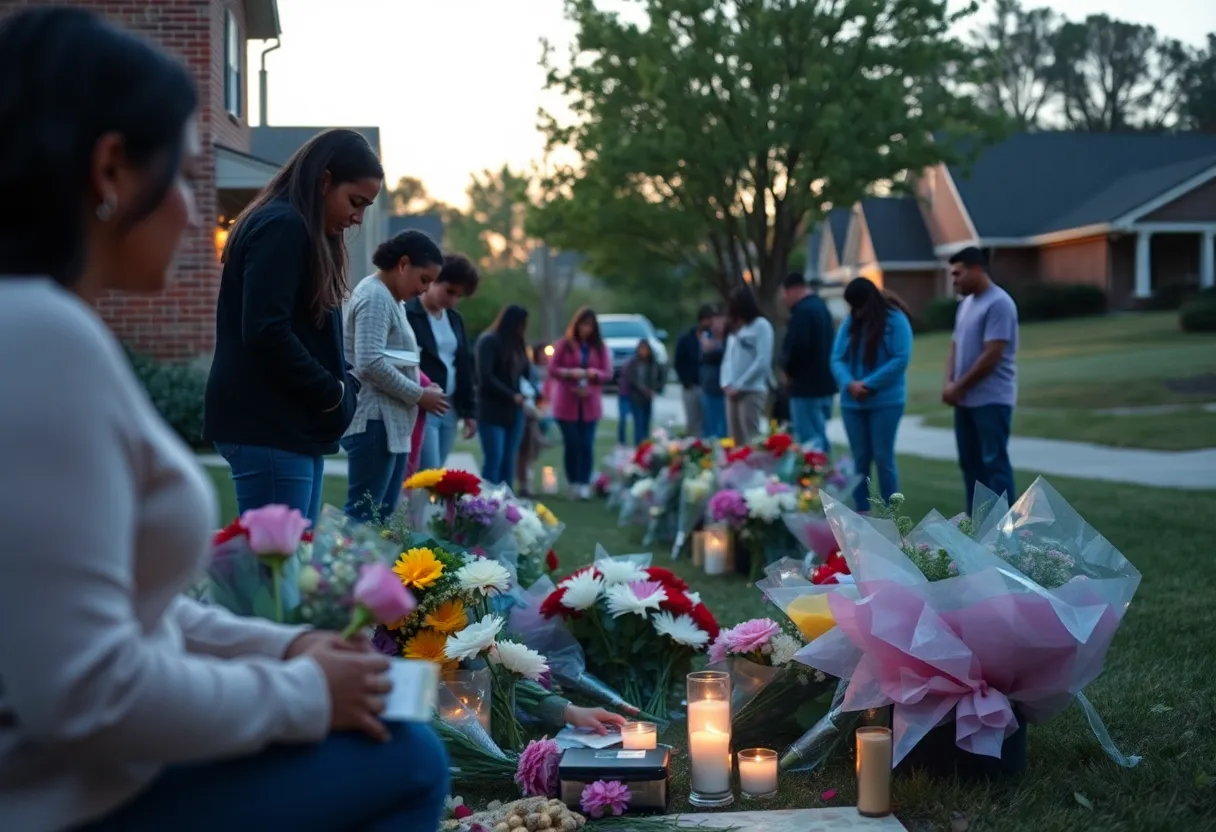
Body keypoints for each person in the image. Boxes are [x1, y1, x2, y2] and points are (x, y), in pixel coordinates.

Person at [0, 9, 448, 832]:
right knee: (410, 758)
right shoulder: (36, 337)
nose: (192, 204)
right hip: (60, 795)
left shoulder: (45, 329)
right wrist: (302, 692)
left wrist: (281, 649)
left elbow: (121, 606)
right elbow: (86, 695)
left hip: (83, 766)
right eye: (180, 170)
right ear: (109, 170)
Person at [204, 127, 384, 523]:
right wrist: (333, 392)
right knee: (272, 573)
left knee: (287, 566)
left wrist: (341, 386)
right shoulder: (282, 226)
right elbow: (266, 328)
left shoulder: (295, 227)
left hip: (287, 426)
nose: (357, 217)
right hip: (267, 425)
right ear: (324, 180)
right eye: (355, 202)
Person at [341, 232, 447, 522]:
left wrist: (424, 386)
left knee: (382, 517)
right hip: (374, 422)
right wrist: (418, 395)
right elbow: (370, 362)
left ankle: (369, 568)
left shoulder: (392, 299)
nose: (425, 291)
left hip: (390, 425)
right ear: (403, 264)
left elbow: (397, 359)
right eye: (424, 279)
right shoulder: (375, 296)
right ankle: (347, 568)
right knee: (365, 516)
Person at [943, 247, 1019, 512]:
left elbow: (993, 354)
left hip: (991, 399)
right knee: (971, 465)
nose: (954, 280)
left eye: (958, 273)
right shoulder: (966, 304)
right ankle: (977, 528)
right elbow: (954, 345)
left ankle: (1005, 533)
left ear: (976, 269)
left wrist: (958, 386)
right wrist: (949, 383)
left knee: (994, 464)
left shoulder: (999, 303)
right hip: (965, 401)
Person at [830, 278, 914, 512]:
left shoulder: (895, 320)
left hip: (885, 402)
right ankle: (862, 511)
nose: (856, 312)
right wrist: (849, 383)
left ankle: (891, 513)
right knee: (860, 459)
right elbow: (837, 357)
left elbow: (900, 358)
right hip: (852, 403)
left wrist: (868, 384)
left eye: (860, 306)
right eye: (853, 308)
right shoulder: (850, 323)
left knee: (883, 457)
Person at [407, 253, 479, 471]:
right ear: (434, 280)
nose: (453, 300)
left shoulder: (455, 319)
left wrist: (469, 412)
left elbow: (463, 366)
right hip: (423, 404)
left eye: (459, 295)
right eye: (450, 291)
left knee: (435, 477)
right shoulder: (409, 313)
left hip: (450, 408)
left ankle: (426, 508)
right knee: (428, 473)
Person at [549, 307, 612, 499]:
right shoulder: (564, 344)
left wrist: (593, 375)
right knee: (572, 443)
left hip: (589, 403)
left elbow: (607, 373)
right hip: (567, 402)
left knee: (586, 444)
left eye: (590, 326)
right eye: (583, 325)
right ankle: (573, 481)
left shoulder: (599, 347)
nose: (586, 329)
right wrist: (570, 373)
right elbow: (553, 369)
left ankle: (584, 482)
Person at [780, 272, 838, 452]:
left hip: (805, 386)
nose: (784, 300)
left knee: (809, 441)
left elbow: (798, 347)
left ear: (794, 290)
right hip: (825, 383)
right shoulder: (821, 307)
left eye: (785, 294)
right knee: (819, 434)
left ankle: (817, 477)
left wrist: (788, 371)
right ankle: (827, 473)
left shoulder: (802, 312)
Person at [476, 304, 530, 485]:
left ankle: (507, 503)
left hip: (514, 411)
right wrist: (511, 395)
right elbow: (486, 376)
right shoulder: (489, 341)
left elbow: (525, 373)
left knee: (509, 459)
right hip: (492, 410)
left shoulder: (517, 345)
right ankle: (487, 503)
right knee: (495, 458)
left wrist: (532, 392)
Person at [720, 286, 775, 446]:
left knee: (751, 438)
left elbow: (762, 360)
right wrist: (726, 383)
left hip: (751, 390)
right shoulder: (737, 329)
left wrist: (741, 384)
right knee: (735, 439)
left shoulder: (761, 326)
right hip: (732, 391)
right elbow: (728, 359)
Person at [621, 339, 664, 444]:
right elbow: (632, 379)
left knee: (646, 422)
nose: (644, 352)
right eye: (642, 349)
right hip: (636, 397)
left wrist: (656, 389)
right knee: (638, 423)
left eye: (646, 349)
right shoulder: (633, 363)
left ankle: (646, 444)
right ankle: (639, 444)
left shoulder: (653, 363)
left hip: (648, 398)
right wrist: (644, 390)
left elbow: (660, 377)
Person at [673, 311, 705, 436]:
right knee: (692, 421)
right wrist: (686, 380)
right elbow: (678, 362)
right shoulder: (686, 339)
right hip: (691, 385)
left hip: (707, 385)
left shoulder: (715, 339)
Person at [698, 308, 728, 438]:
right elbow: (705, 351)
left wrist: (713, 349)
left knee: (725, 427)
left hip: (726, 388)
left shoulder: (730, 338)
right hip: (709, 386)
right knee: (710, 426)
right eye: (715, 322)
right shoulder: (707, 336)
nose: (717, 325)